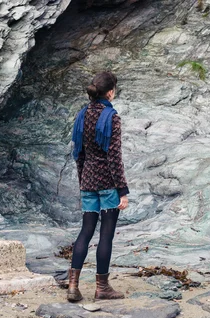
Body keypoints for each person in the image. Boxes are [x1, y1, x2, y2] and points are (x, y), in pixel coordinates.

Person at [67, 71, 129, 302]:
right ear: (111, 92)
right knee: (106, 236)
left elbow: (79, 154)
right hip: (107, 183)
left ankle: (73, 285)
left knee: (85, 231)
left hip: (88, 181)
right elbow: (114, 157)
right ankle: (102, 287)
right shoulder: (111, 117)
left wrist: (83, 179)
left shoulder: (82, 115)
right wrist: (122, 190)